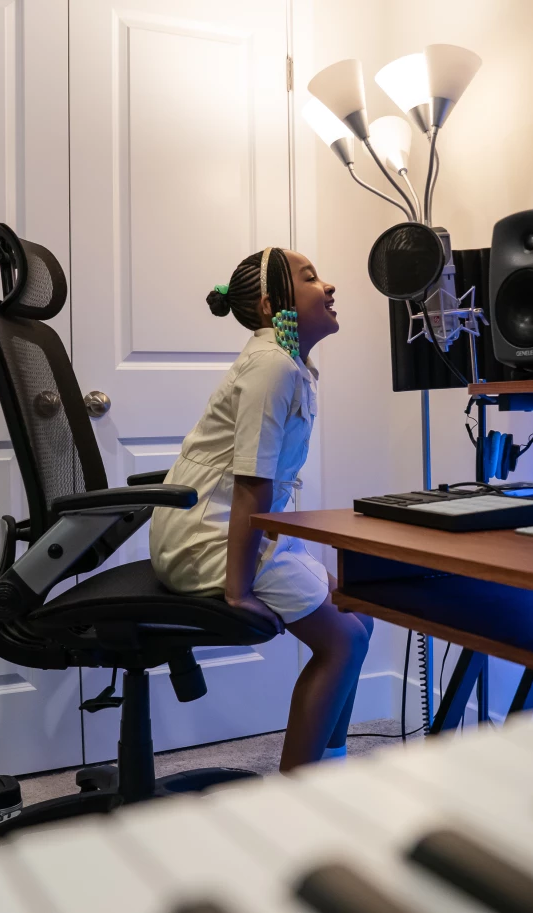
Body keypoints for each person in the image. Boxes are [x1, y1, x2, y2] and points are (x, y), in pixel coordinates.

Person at [150, 246, 372, 772]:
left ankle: (332, 763)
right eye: (311, 278)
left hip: (234, 527)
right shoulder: (272, 367)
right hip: (207, 539)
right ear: (273, 306)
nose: (329, 286)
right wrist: (238, 591)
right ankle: (299, 790)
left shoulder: (288, 363)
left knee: (359, 610)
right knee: (342, 641)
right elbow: (252, 483)